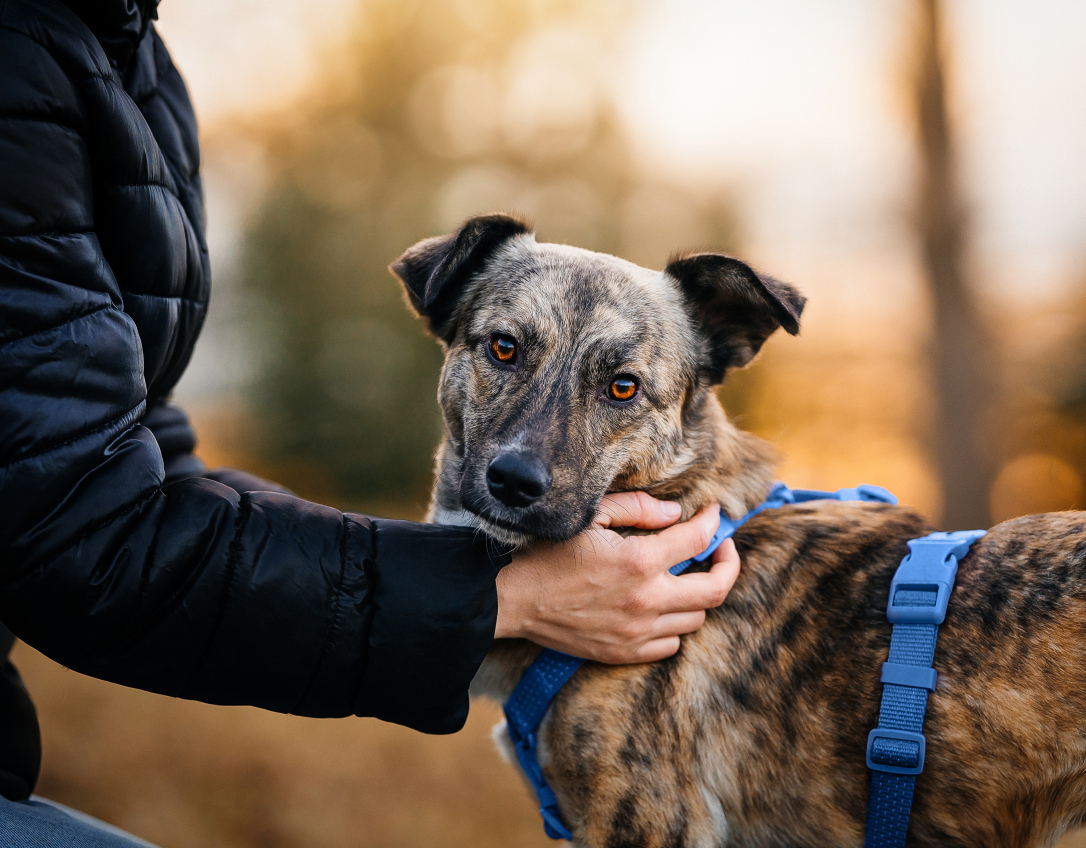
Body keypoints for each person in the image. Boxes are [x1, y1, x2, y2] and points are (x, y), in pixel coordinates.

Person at [0, 1, 741, 844]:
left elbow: (140, 458)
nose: (530, 453)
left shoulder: (128, 53)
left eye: (617, 390)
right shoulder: (39, 48)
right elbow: (79, 527)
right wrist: (494, 596)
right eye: (504, 350)